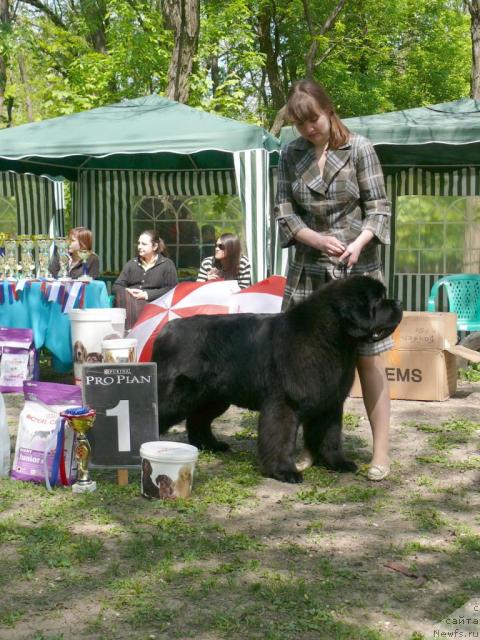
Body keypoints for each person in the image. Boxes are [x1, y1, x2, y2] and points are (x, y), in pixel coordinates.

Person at [275, 79, 393, 482]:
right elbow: (284, 212)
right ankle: (311, 447)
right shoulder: (289, 154)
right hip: (309, 271)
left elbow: (379, 209)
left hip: (356, 273)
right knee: (305, 366)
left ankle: (381, 453)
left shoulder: (360, 148)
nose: (309, 129)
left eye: (314, 119)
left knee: (368, 361)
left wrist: (358, 243)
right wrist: (312, 238)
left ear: (329, 109)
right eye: (300, 123)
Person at [112, 230, 178, 329]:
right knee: (123, 295)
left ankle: (132, 331)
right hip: (129, 303)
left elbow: (172, 289)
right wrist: (128, 291)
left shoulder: (167, 264)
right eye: (138, 243)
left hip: (153, 304)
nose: (139, 246)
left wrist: (146, 294)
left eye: (144, 244)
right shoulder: (131, 263)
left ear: (155, 246)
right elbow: (116, 286)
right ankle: (130, 330)